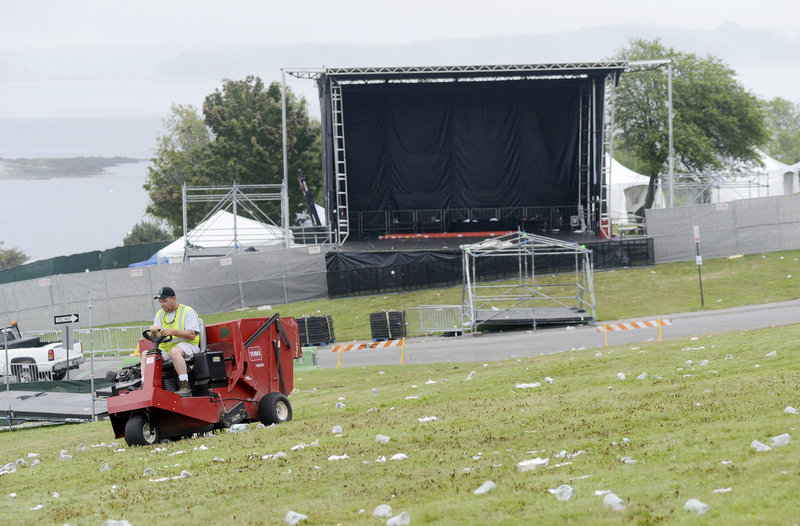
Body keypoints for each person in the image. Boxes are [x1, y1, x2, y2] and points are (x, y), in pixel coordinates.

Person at [147, 286, 202, 397]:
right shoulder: (160, 314)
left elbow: (192, 334)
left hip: (189, 345)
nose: (162, 304)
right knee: (147, 354)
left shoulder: (187, 311)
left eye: (165, 301)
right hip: (168, 348)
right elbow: (157, 336)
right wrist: (153, 332)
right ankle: (145, 385)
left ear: (173, 299)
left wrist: (172, 331)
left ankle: (185, 385)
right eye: (160, 302)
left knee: (175, 351)